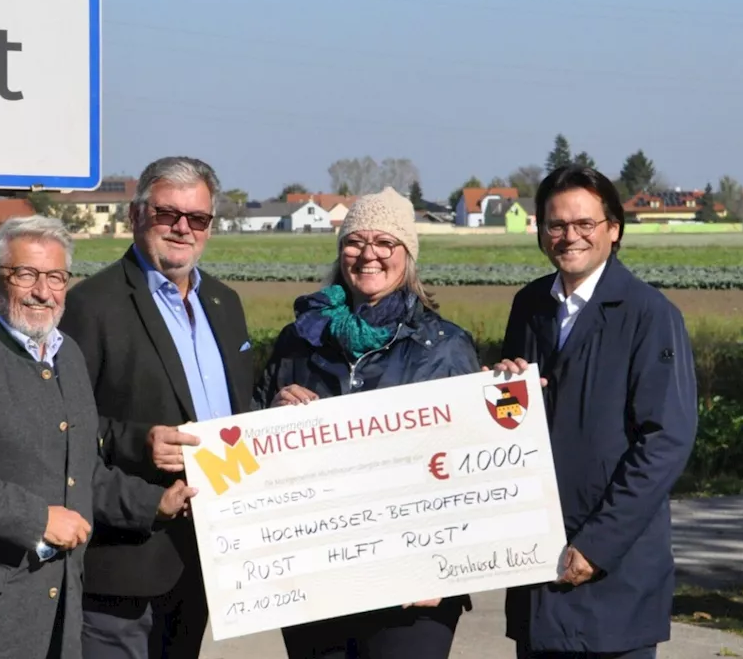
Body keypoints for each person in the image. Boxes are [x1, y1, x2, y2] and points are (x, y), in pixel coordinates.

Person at [0, 216, 198, 659]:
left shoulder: (65, 355)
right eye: (26, 274)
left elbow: (78, 471)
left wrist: (154, 504)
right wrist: (39, 519)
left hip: (51, 607)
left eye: (55, 277)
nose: (42, 291)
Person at [251, 186, 479, 659]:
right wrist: (270, 417)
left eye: (385, 243)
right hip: (317, 577)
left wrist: (449, 565)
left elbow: (476, 464)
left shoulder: (444, 347)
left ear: (407, 255)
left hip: (414, 585)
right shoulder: (299, 341)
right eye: (355, 241)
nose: (368, 254)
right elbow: (248, 440)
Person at [490, 165, 698, 658]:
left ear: (614, 229)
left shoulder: (649, 315)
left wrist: (598, 546)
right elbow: (513, 419)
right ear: (541, 231)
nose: (570, 237)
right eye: (557, 225)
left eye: (585, 224)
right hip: (537, 558)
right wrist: (501, 390)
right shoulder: (530, 306)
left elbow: (665, 440)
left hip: (612, 571)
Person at [58, 156, 255, 659]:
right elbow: (59, 423)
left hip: (207, 556)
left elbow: (238, 411)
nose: (183, 229)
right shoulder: (91, 305)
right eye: (168, 214)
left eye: (198, 219)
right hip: (126, 560)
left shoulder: (225, 304)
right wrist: (138, 441)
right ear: (136, 216)